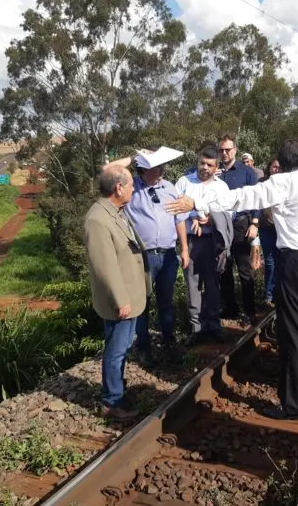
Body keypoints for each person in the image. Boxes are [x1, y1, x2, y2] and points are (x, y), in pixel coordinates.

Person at [166, 140, 298, 420]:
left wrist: (198, 201)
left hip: (295, 261)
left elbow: (242, 197)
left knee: (292, 331)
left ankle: (293, 404)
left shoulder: (282, 182)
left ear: (281, 165)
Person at [84, 165, 150, 420]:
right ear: (118, 188)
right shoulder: (97, 219)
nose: (135, 188)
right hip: (120, 300)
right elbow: (105, 266)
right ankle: (111, 402)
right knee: (116, 349)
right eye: (131, 184)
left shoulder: (115, 211)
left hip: (131, 293)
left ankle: (118, 391)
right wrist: (120, 300)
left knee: (122, 347)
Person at [124, 156, 190, 366]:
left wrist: (185, 249)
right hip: (142, 257)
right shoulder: (130, 186)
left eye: (163, 165)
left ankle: (169, 343)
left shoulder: (169, 187)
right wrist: (133, 157)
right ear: (143, 168)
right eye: (156, 166)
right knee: (142, 304)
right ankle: (144, 348)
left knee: (166, 303)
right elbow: (106, 170)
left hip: (169, 255)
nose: (162, 170)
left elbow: (179, 220)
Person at [175, 146, 231, 346]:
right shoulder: (184, 182)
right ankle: (196, 327)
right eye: (202, 163)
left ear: (216, 167)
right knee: (193, 285)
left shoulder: (221, 187)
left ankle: (213, 325)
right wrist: (194, 217)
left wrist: (208, 218)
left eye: (209, 165)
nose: (204, 168)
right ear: (197, 162)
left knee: (213, 284)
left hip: (212, 241)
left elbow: (228, 213)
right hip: (190, 241)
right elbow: (175, 210)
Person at [217, 134, 260, 326]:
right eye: (221, 150)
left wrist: (255, 223)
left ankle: (250, 311)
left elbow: (256, 197)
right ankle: (230, 309)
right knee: (224, 269)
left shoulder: (246, 172)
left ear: (235, 149)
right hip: (220, 226)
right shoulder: (215, 172)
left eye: (228, 149)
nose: (224, 153)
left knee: (244, 270)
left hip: (242, 225)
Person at [259, 158, 280, 307]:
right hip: (266, 227)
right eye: (274, 166)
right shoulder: (263, 183)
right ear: (269, 167)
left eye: (279, 167)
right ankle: (269, 294)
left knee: (281, 260)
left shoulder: (286, 183)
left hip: (281, 228)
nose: (276, 170)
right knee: (270, 261)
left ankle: (279, 292)